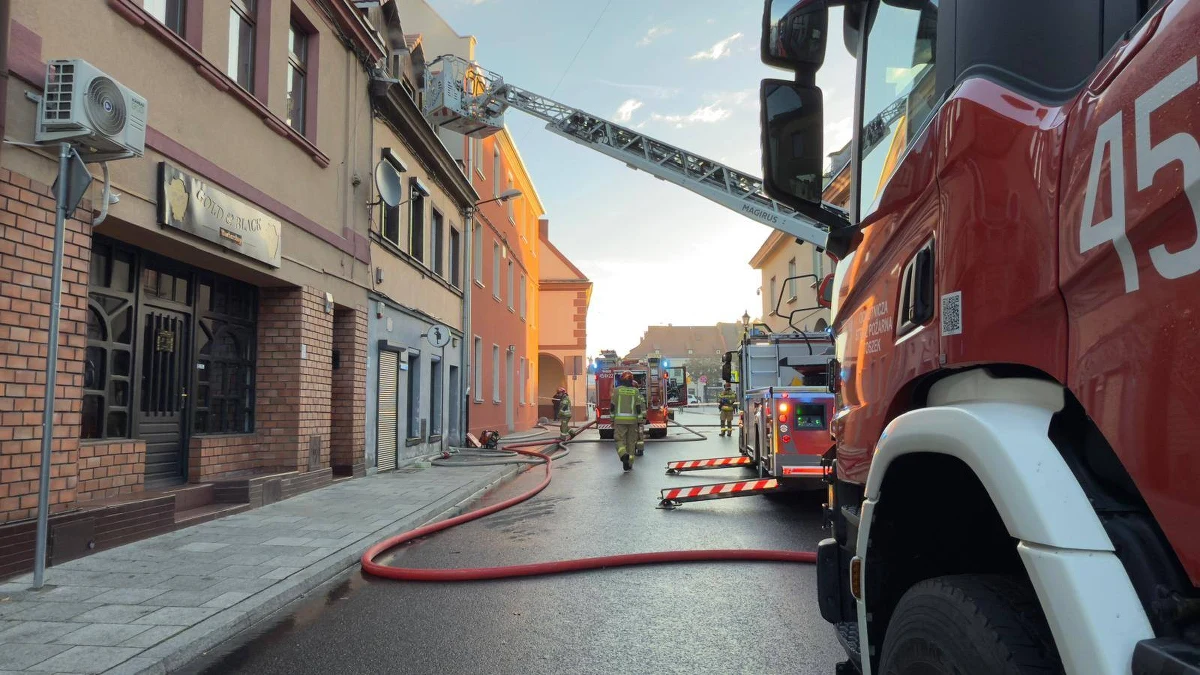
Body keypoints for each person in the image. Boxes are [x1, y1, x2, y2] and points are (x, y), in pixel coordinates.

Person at [612, 371, 643, 471]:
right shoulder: (636, 391)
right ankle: (629, 464)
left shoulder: (617, 390)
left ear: (622, 379)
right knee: (631, 442)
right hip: (633, 421)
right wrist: (640, 420)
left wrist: (612, 419)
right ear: (631, 380)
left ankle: (623, 454)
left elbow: (612, 406)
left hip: (620, 421)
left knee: (619, 440)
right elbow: (638, 407)